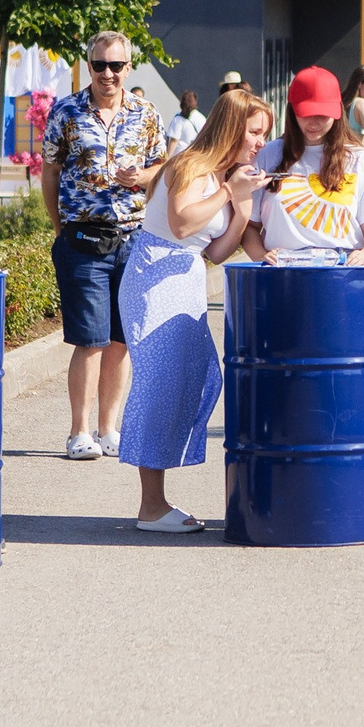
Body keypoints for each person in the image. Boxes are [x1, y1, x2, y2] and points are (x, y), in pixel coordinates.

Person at [117, 89, 269, 533]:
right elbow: (182, 223)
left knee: (198, 376)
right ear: (231, 127)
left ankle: (156, 500)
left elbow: (218, 251)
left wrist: (241, 208)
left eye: (264, 134)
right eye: (255, 132)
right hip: (154, 274)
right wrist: (229, 192)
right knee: (159, 382)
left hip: (186, 276)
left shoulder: (225, 175)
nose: (260, 142)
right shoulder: (187, 164)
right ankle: (151, 506)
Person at [40, 31, 170, 463]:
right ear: (89, 66)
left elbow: (161, 163)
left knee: (120, 340)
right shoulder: (67, 112)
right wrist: (60, 227)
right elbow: (50, 172)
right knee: (89, 339)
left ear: (128, 67)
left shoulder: (145, 113)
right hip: (83, 239)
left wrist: (144, 178)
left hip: (131, 240)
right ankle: (79, 432)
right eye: (100, 65)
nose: (108, 74)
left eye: (116, 66)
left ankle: (109, 428)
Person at [246, 67, 364, 264]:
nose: (314, 122)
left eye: (323, 115)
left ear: (337, 113)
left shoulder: (362, 160)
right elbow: (249, 226)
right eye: (306, 114)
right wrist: (261, 257)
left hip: (342, 272)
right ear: (292, 111)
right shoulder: (266, 155)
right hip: (282, 275)